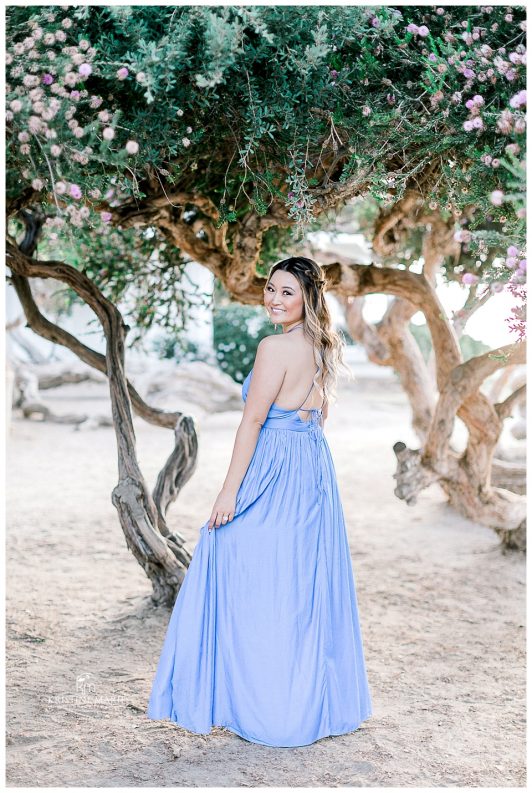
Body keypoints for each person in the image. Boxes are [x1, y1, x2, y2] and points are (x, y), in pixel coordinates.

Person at [146, 256, 373, 747]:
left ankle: (266, 708)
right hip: (312, 470)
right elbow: (320, 414)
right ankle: (299, 703)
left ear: (308, 297)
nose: (273, 298)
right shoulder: (322, 345)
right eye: (271, 289)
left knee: (238, 566)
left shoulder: (275, 347)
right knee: (300, 585)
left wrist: (229, 492)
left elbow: (251, 422)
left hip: (275, 469)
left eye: (286, 291)